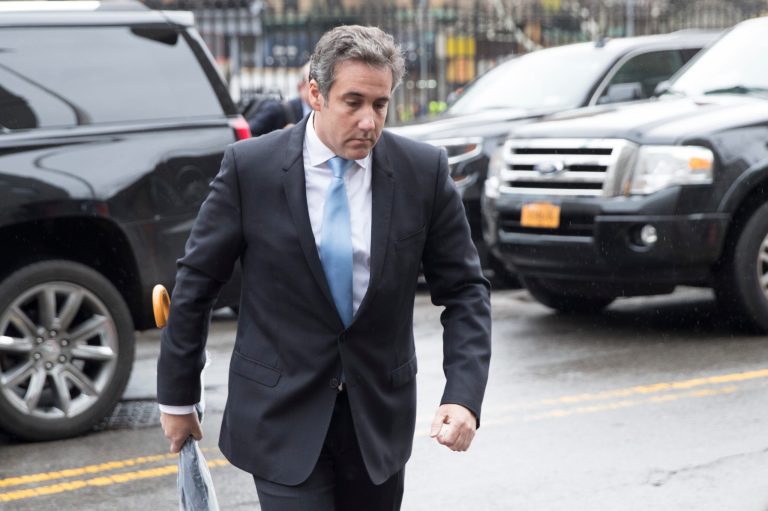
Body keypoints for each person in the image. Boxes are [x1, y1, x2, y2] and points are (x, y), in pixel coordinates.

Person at [158, 25, 491, 511]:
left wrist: (463, 397)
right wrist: (178, 399)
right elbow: (195, 284)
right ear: (315, 93)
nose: (368, 122)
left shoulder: (423, 171)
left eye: (380, 105)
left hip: (377, 422)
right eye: (352, 102)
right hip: (278, 417)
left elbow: (465, 291)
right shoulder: (250, 169)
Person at [247, 62, 311, 136]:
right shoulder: (277, 110)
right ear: (300, 87)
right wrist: (279, 140)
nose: (321, 91)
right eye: (312, 84)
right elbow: (247, 136)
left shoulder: (324, 114)